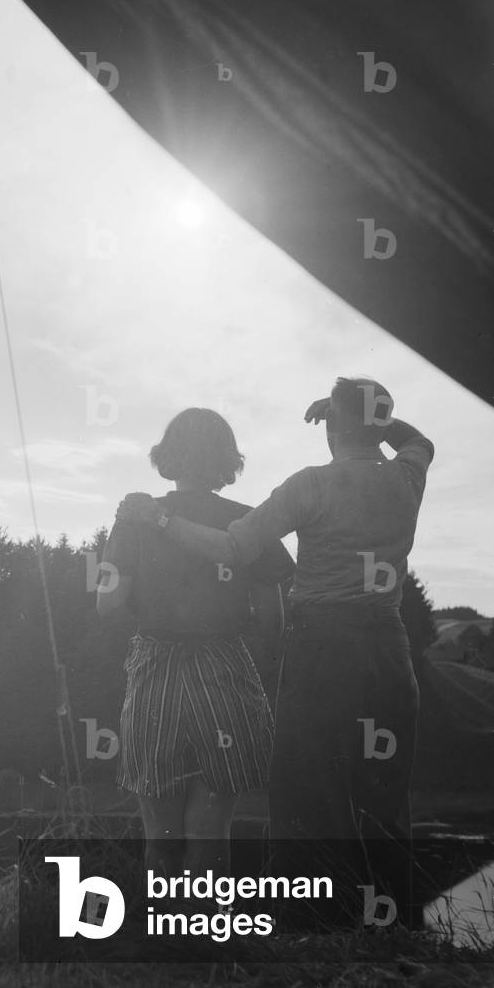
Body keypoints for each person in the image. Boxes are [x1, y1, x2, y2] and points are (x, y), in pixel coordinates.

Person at [116, 377, 433, 928]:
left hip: (322, 647)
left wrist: (162, 520)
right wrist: (365, 417)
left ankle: (314, 927)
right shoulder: (407, 475)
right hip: (388, 645)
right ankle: (393, 926)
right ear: (380, 426)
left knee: (309, 789)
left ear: (331, 427)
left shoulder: (310, 485)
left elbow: (235, 546)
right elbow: (419, 440)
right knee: (386, 788)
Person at [96, 408, 294, 882]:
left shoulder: (134, 518)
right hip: (226, 670)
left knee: (159, 833)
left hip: (153, 669)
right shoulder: (247, 522)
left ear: (168, 456)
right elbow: (273, 619)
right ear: (227, 461)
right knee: (212, 829)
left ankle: (163, 940)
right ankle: (208, 938)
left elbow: (108, 606)